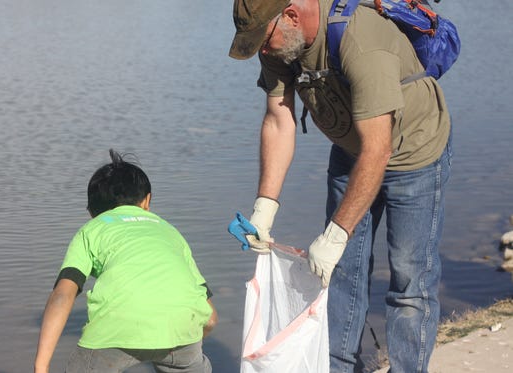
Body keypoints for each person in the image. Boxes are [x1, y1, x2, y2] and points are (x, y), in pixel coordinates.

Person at [229, 0, 452, 372]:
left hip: (414, 154)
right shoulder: (279, 43)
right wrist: (264, 207)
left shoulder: (360, 41)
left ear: (292, 15)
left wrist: (336, 234)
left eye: (264, 40)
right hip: (353, 150)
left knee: (410, 281)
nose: (262, 50)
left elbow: (379, 149)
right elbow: (278, 117)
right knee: (337, 273)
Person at [34, 149, 218, 373]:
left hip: (114, 329)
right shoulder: (171, 232)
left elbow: (63, 294)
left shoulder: (91, 230)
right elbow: (210, 318)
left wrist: (41, 366)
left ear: (92, 211)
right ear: (146, 201)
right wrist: (180, 340)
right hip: (182, 331)